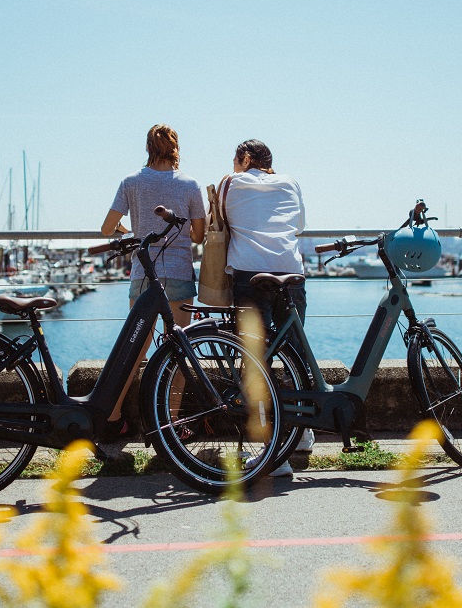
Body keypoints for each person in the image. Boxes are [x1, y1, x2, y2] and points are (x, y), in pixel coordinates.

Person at [99, 124, 205, 442]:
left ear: (148, 147)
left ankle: (113, 417)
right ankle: (171, 423)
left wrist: (128, 231)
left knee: (134, 351)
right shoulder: (190, 184)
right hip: (179, 273)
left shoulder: (131, 182)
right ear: (176, 148)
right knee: (179, 350)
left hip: (143, 274)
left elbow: (106, 228)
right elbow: (198, 235)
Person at [222, 138, 314, 474]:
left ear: (244, 159)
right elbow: (299, 226)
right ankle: (302, 434)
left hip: (250, 273)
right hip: (291, 272)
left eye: (234, 159)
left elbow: (220, 221)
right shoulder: (290, 182)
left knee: (254, 361)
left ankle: (273, 454)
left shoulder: (230, 183)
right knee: (296, 356)